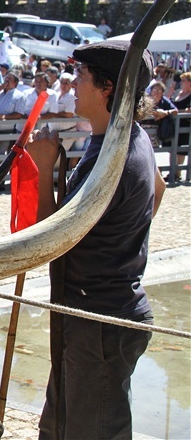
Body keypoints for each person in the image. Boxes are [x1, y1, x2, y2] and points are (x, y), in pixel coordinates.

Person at [31, 39, 165, 440]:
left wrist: (42, 171)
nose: (72, 84)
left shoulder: (111, 156)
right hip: (97, 313)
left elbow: (51, 241)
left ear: (107, 87)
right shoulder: (127, 137)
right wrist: (117, 239)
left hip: (98, 322)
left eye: (81, 76)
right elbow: (158, 190)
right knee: (60, 427)